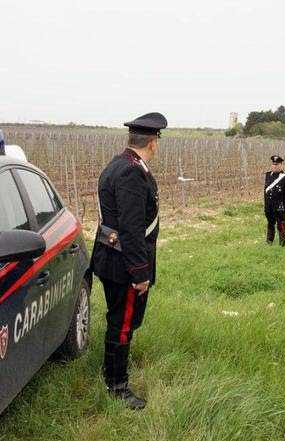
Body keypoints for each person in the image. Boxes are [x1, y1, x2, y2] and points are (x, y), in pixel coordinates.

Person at [90, 112, 166, 410]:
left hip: (111, 258)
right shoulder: (132, 172)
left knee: (118, 319)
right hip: (124, 265)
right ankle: (117, 385)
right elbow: (131, 229)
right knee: (123, 323)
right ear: (153, 142)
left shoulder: (118, 164)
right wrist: (140, 273)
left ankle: (112, 368)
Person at [264, 155, 285, 246]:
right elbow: (266, 192)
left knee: (281, 224)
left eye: (277, 164)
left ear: (281, 165)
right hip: (269, 206)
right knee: (270, 223)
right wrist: (265, 205)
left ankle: (282, 243)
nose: (275, 166)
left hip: (279, 205)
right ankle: (269, 242)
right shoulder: (268, 175)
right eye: (273, 164)